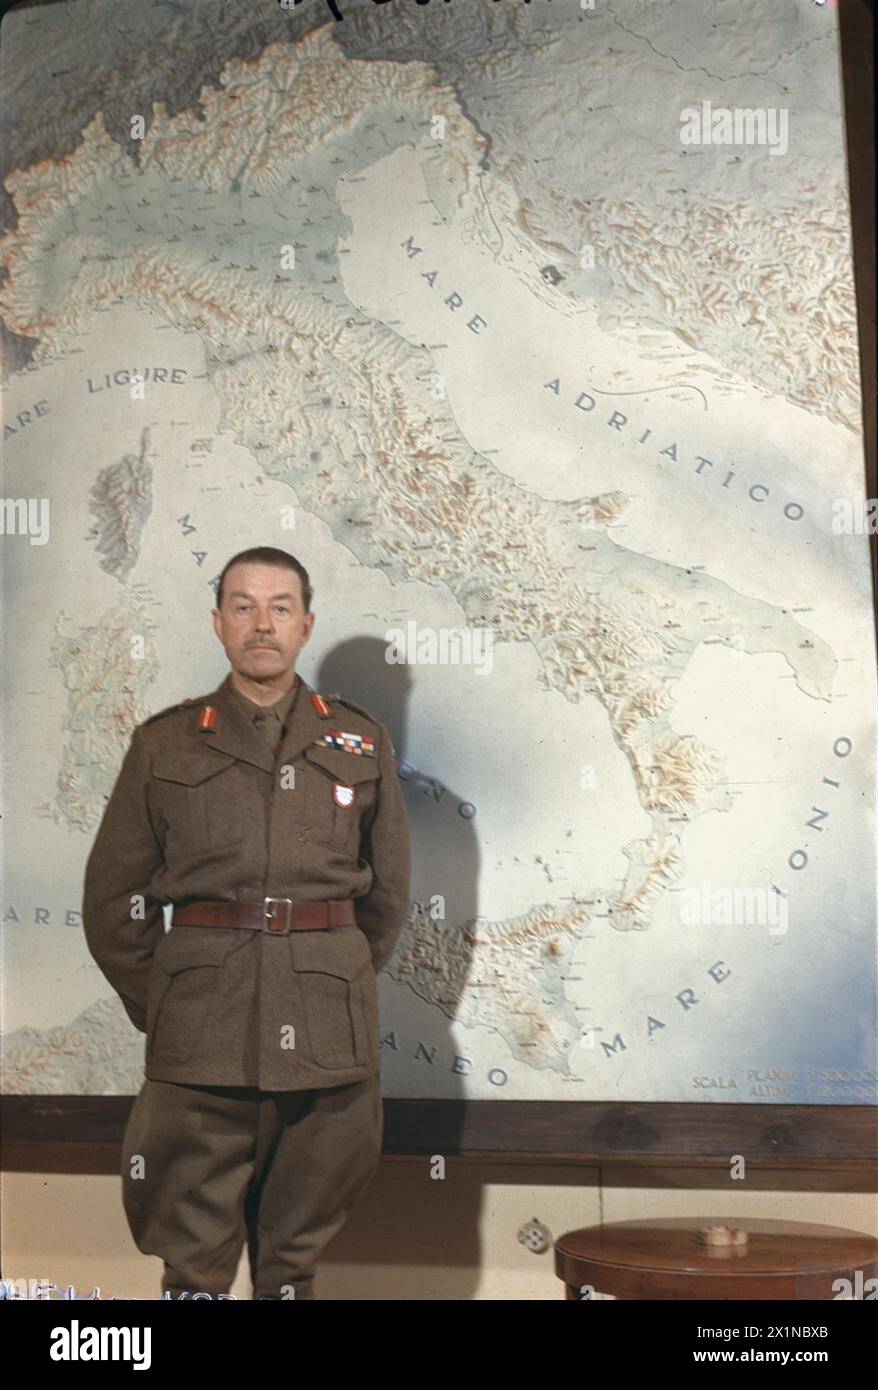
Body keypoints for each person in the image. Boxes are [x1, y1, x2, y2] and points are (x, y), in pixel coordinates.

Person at [81, 546, 411, 1300]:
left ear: (306, 625)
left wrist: (329, 982)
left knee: (292, 1264)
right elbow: (115, 904)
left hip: (327, 1041)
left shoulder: (360, 743)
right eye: (243, 606)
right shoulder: (163, 743)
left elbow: (386, 901)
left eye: (281, 607)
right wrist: (170, 1001)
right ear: (218, 622)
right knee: (193, 1269)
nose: (262, 624)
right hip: (200, 1035)